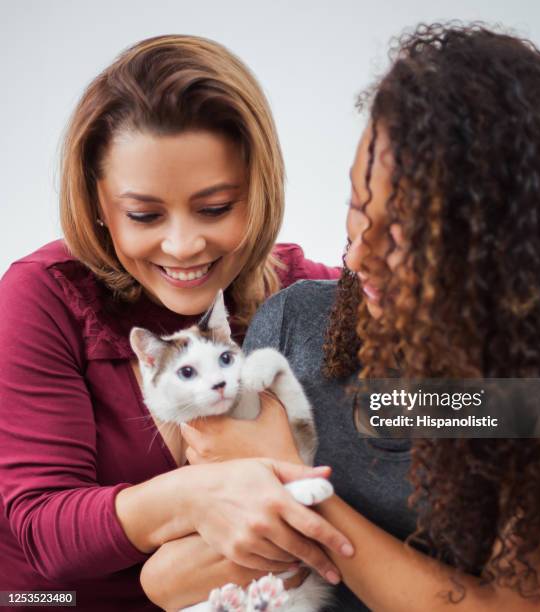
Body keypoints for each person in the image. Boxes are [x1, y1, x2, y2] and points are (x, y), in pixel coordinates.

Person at [151, 23, 540, 611]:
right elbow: (163, 579)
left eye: (405, 232)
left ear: (506, 249)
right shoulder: (294, 328)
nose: (360, 253)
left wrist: (299, 484)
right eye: (358, 206)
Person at [0, 35, 354, 611]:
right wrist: (200, 495)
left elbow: (463, 404)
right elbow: (44, 531)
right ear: (97, 202)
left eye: (216, 208)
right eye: (144, 214)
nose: (184, 245)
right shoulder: (42, 297)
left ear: (259, 189)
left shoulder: (300, 296)